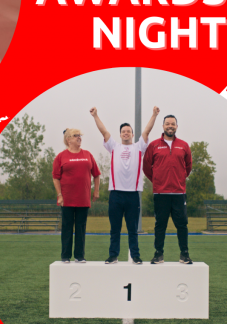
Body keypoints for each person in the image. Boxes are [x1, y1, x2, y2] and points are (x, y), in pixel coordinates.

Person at [90, 106, 159, 265]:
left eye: (129, 131)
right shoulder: (114, 146)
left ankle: (135, 255)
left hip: (133, 195)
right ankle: (113, 255)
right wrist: (95, 116)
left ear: (132, 134)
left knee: (132, 230)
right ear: (120, 134)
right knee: (114, 229)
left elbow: (147, 131)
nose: (126, 133)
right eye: (123, 131)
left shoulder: (139, 147)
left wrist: (154, 115)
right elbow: (104, 132)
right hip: (115, 194)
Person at [143, 115, 193, 264]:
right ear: (163, 126)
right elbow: (146, 167)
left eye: (173, 124)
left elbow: (188, 166)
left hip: (179, 193)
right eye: (167, 124)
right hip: (161, 193)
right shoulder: (154, 145)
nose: (170, 126)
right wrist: (158, 181)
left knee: (182, 225)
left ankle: (184, 254)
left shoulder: (184, 146)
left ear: (176, 126)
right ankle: (158, 254)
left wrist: (179, 180)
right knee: (160, 225)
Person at [52, 128, 101, 263]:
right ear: (68, 139)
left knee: (80, 227)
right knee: (67, 227)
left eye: (80, 135)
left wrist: (96, 191)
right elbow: (55, 177)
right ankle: (65, 256)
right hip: (67, 198)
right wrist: (59, 195)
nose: (79, 137)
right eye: (75, 136)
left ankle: (79, 256)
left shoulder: (88, 155)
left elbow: (96, 174)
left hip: (83, 198)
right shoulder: (61, 157)